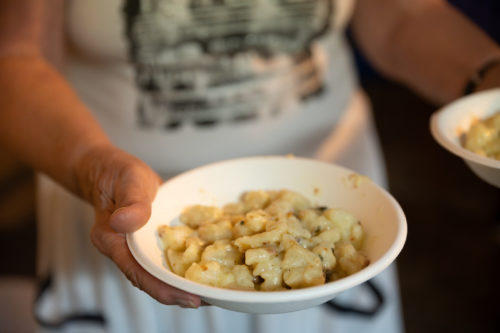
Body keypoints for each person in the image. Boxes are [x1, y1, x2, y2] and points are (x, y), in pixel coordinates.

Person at [1, 0, 499, 332]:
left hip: (333, 197)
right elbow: (15, 57)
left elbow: (399, 17)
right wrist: (91, 165)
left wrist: (491, 81)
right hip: (126, 210)